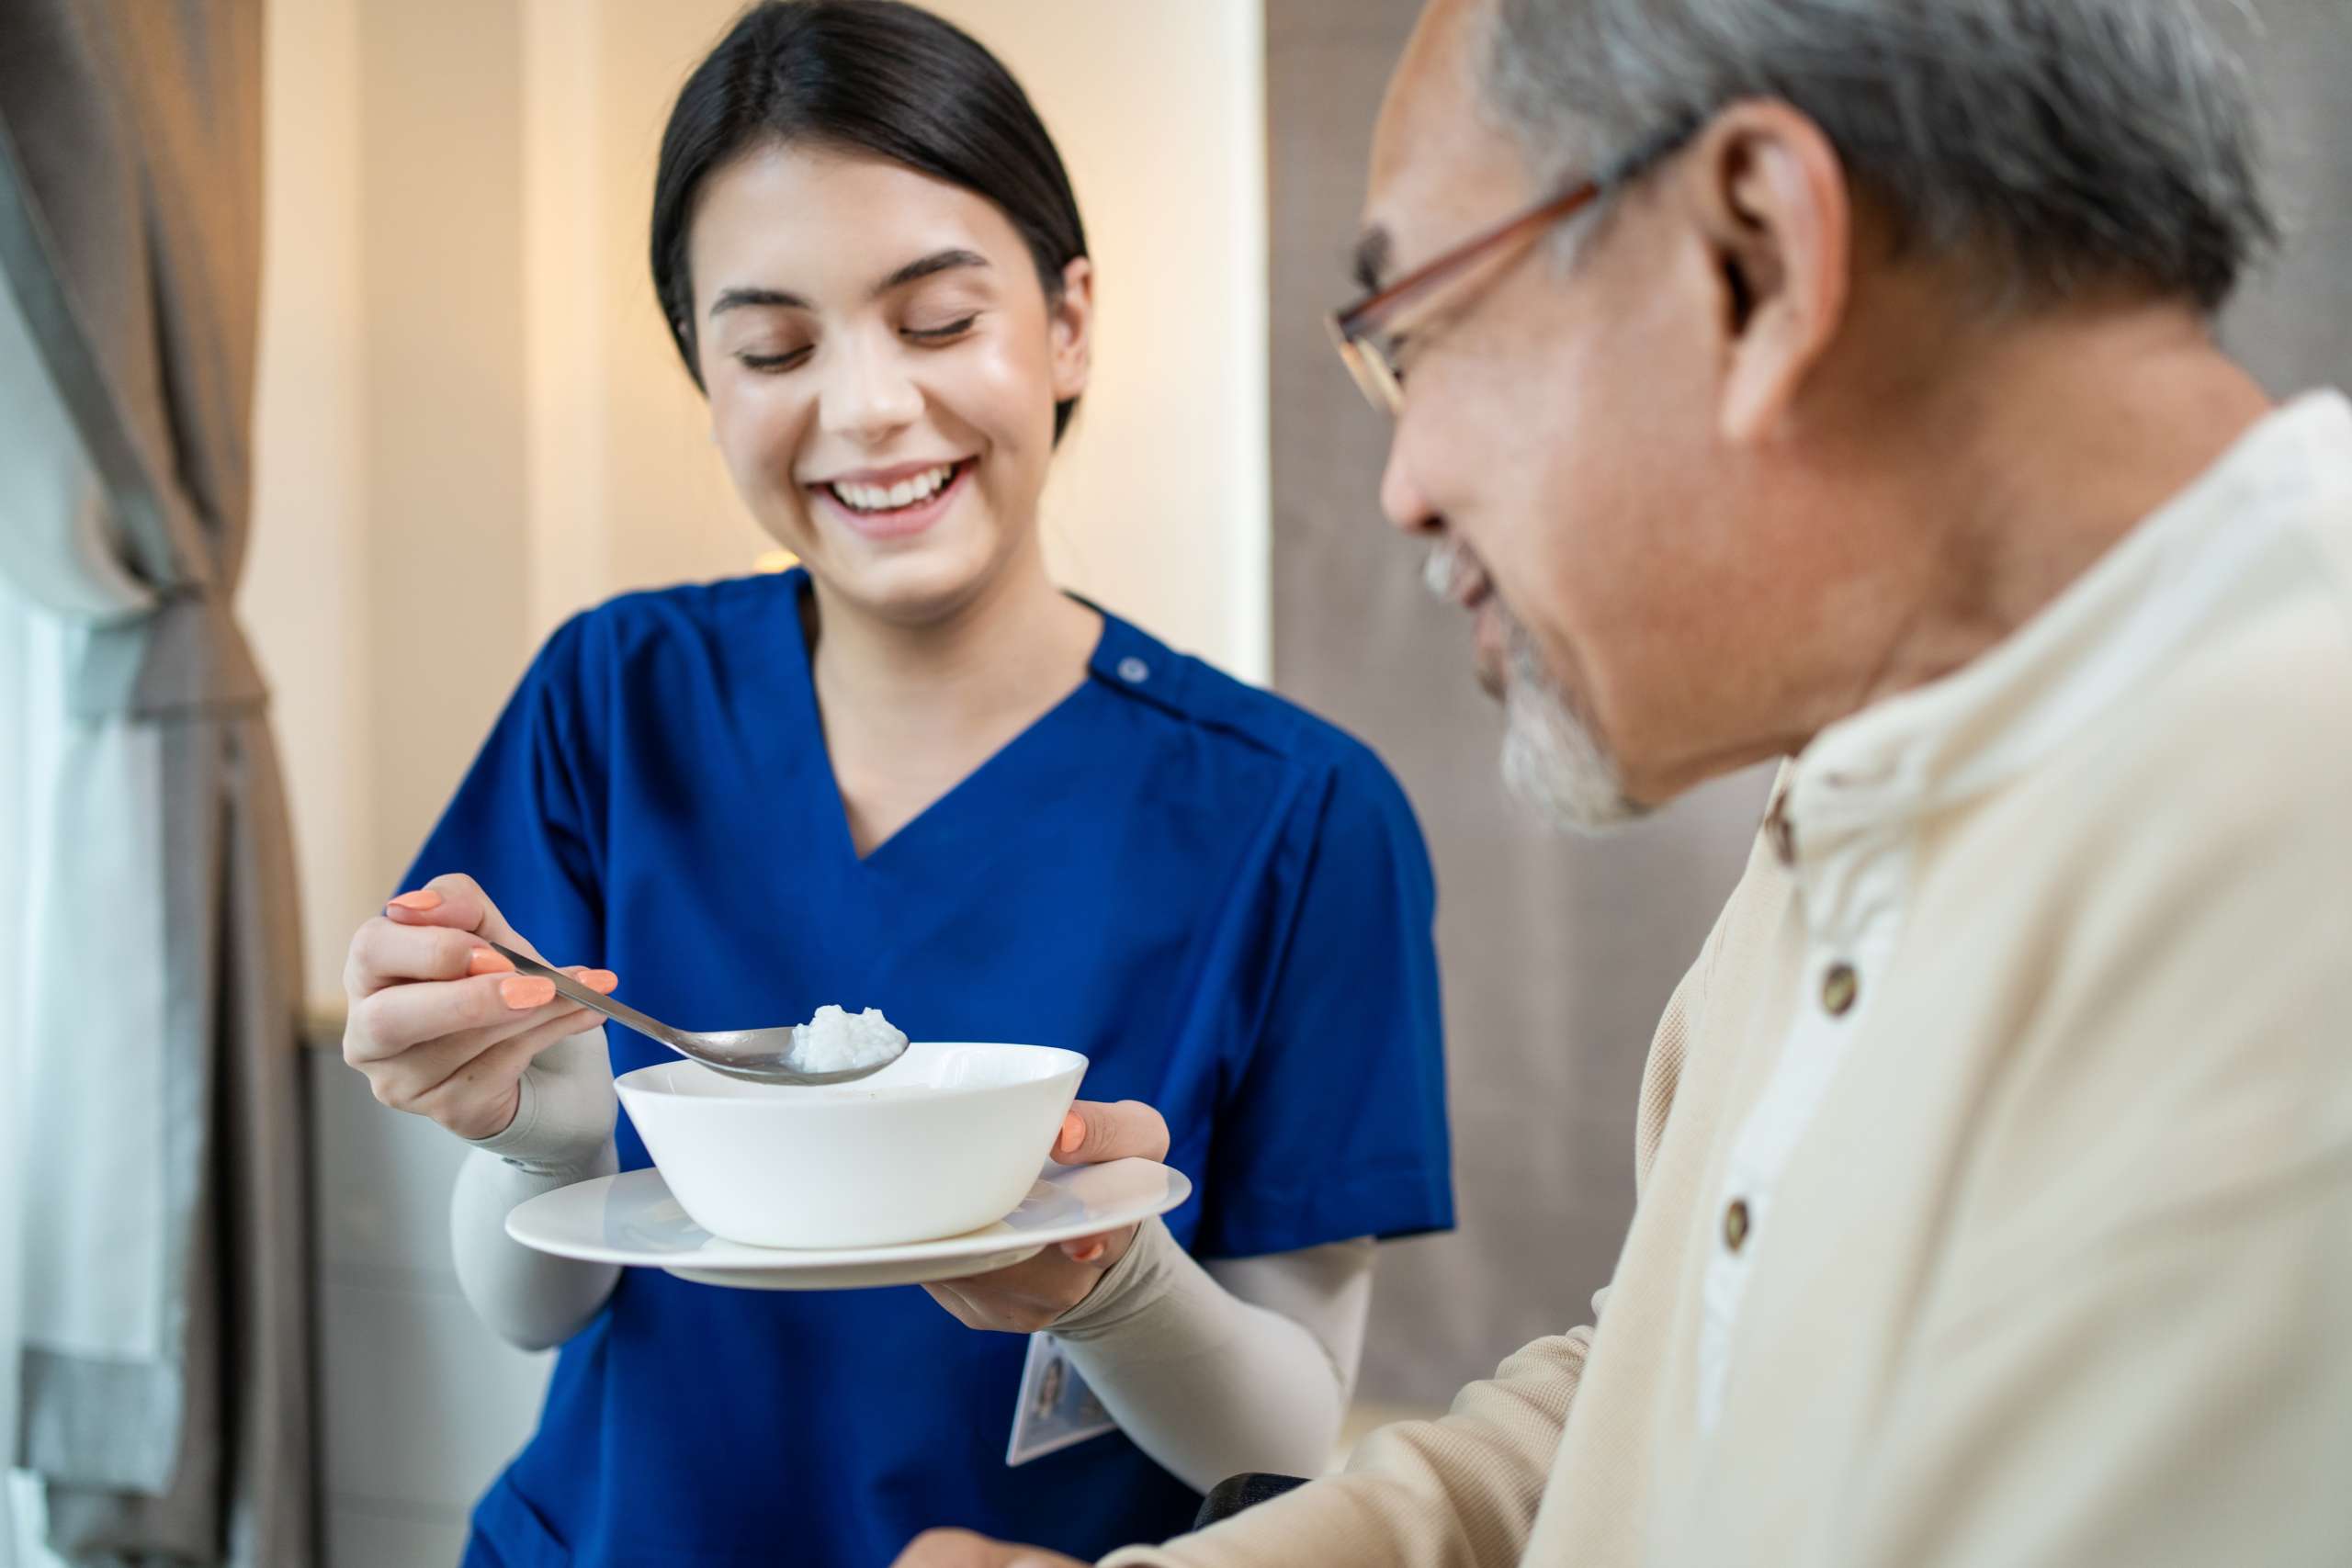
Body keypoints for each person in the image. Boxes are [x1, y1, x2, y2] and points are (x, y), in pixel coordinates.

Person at [898, 0, 2352, 1562]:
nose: (1400, 485)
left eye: (1421, 337)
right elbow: (1672, 1398)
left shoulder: (2283, 891)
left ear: (1759, 256)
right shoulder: (1895, 770)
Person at [336, 4, 1455, 1563]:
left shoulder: (1301, 817)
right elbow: (536, 1306)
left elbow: (1278, 1442)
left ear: (1067, 321)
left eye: (936, 322)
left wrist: (1116, 1285)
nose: (865, 407)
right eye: (775, 348)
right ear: (704, 375)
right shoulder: (614, 700)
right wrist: (539, 1129)